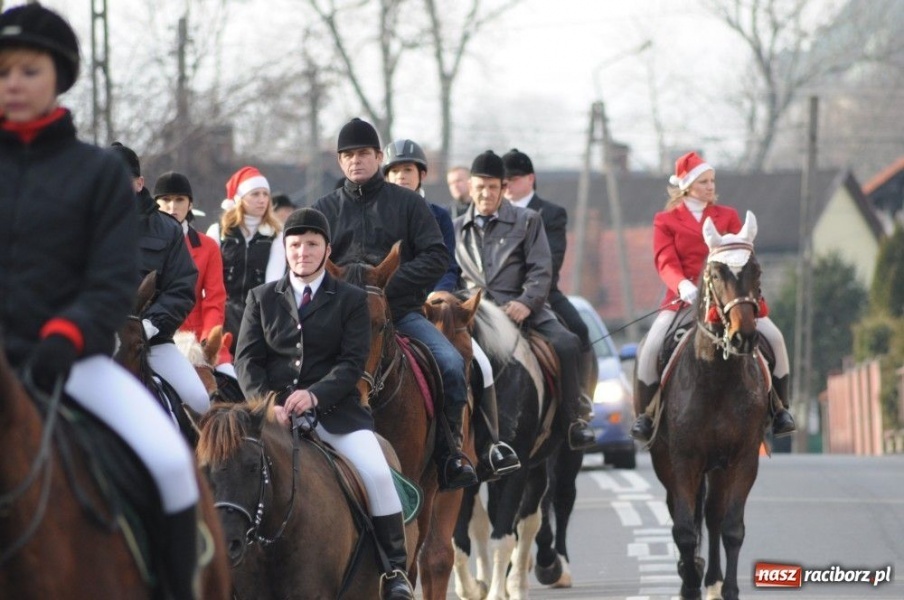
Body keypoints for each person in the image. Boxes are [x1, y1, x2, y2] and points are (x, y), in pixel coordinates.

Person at [0, 5, 199, 598]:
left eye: (28, 70)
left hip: (74, 359)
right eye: (3, 70)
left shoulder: (98, 174)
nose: (12, 82)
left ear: (58, 78)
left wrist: (66, 338)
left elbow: (112, 281)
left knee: (169, 463)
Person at [234, 208, 414, 600]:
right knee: (230, 472)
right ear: (285, 248)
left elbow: (352, 363)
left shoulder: (349, 299)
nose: (303, 252)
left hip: (337, 415)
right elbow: (246, 361)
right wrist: (268, 404)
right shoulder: (260, 298)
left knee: (379, 475)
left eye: (312, 244)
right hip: (273, 416)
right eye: (295, 245)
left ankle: (394, 571)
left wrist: (315, 394)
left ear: (326, 249)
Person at [313, 118, 477, 490]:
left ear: (377, 157)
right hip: (337, 321)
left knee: (451, 364)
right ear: (340, 162)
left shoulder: (406, 204)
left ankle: (450, 453)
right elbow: (309, 262)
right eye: (348, 155)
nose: (356, 161)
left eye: (364, 154)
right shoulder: (323, 209)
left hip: (401, 314)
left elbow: (436, 256)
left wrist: (387, 287)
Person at [630, 151, 796, 442]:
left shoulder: (728, 216)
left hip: (731, 298)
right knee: (652, 344)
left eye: (712, 180)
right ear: (687, 185)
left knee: (776, 338)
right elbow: (664, 261)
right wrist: (682, 285)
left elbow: (742, 258)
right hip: (684, 298)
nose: (710, 186)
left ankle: (780, 407)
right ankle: (647, 414)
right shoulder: (665, 221)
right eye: (704, 181)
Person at [383, 139, 520, 481]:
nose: (402, 176)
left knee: (475, 364)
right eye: (396, 170)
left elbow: (445, 263)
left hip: (428, 308)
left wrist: (438, 294)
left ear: (421, 175)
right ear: (386, 176)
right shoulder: (377, 214)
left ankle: (483, 447)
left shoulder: (438, 216)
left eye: (408, 170)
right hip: (380, 311)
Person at [453, 150, 596, 451]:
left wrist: (526, 302)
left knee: (568, 343)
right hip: (472, 315)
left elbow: (542, 270)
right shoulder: (455, 228)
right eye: (480, 187)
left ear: (503, 188)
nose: (486, 194)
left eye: (493, 187)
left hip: (520, 309)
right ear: (471, 188)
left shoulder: (528, 220)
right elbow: (450, 276)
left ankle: (573, 420)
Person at [110, 143, 210, 418]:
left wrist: (148, 326)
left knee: (199, 401)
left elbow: (181, 289)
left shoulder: (167, 230)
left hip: (152, 342)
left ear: (139, 183)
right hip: (98, 342)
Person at [502, 148, 594, 419]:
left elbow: (551, 261)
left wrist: (527, 296)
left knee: (578, 330)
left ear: (530, 179)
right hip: (500, 294)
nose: (507, 186)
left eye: (513, 179)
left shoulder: (551, 213)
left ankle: (578, 400)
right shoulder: (497, 212)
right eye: (503, 181)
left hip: (543, 293)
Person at [154, 171, 235, 374]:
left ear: (190, 204)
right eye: (166, 200)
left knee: (231, 383)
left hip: (199, 339)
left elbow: (215, 299)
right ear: (156, 204)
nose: (172, 207)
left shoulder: (208, 247)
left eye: (179, 200)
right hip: (155, 337)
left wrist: (208, 340)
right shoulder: (146, 245)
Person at [207, 166, 285, 355]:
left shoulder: (276, 236)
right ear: (239, 199)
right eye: (255, 194)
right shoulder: (218, 232)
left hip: (257, 317)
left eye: (265, 194)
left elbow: (271, 285)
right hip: (220, 316)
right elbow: (209, 282)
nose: (262, 199)